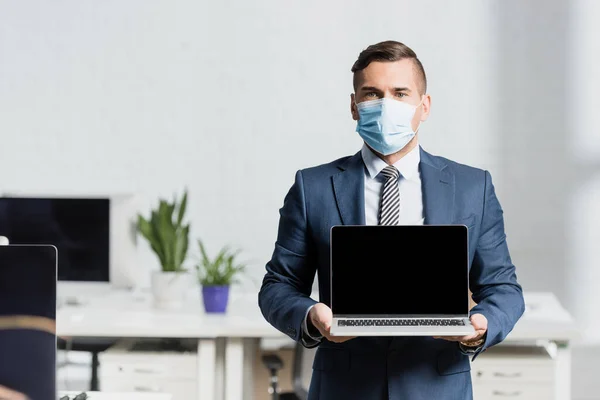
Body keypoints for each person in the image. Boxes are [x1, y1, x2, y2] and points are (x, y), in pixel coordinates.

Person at [258, 40, 525, 400]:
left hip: (436, 385)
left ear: (424, 105)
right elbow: (278, 286)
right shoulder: (313, 187)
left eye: (400, 93)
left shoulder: (472, 187)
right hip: (343, 388)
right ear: (354, 107)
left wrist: (482, 324)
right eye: (371, 94)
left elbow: (503, 289)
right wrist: (311, 316)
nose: (386, 105)